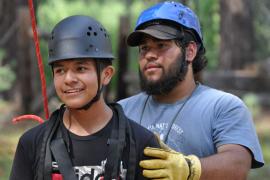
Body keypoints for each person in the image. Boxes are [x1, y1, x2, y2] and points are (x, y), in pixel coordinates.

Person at [118, 1, 264, 180]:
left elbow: (238, 165)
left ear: (190, 52)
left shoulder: (223, 106)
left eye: (161, 45)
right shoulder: (120, 111)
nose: (149, 55)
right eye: (144, 48)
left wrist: (189, 168)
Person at [10, 15, 160, 180]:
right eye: (60, 70)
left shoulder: (140, 143)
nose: (68, 79)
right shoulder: (33, 144)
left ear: (106, 74)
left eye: (80, 68)